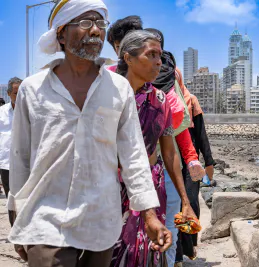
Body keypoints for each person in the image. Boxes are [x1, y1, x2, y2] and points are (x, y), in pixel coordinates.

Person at [7, 1, 171, 266]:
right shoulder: (32, 89)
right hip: (45, 220)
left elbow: (134, 155)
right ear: (60, 33)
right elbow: (20, 158)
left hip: (101, 221)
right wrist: (18, 220)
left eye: (100, 23)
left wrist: (150, 215)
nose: (95, 30)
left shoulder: (118, 88)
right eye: (84, 22)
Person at [107, 20, 203, 267]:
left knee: (151, 249)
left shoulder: (160, 99)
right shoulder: (106, 92)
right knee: (115, 251)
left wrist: (184, 199)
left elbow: (169, 151)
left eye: (160, 55)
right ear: (127, 58)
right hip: (111, 185)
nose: (159, 62)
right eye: (152, 55)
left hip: (152, 184)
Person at [175, 94, 215, 266]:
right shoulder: (162, 98)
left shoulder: (191, 100)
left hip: (191, 162)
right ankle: (177, 254)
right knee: (173, 205)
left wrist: (209, 162)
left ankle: (190, 246)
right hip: (171, 159)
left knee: (191, 201)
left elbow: (200, 133)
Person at [0, 77, 21, 225]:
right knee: (11, 198)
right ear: (8, 94)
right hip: (6, 163)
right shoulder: (1, 113)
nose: (19, 96)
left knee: (26, 197)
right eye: (15, 93)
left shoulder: (31, 112)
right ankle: (15, 230)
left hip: (26, 162)